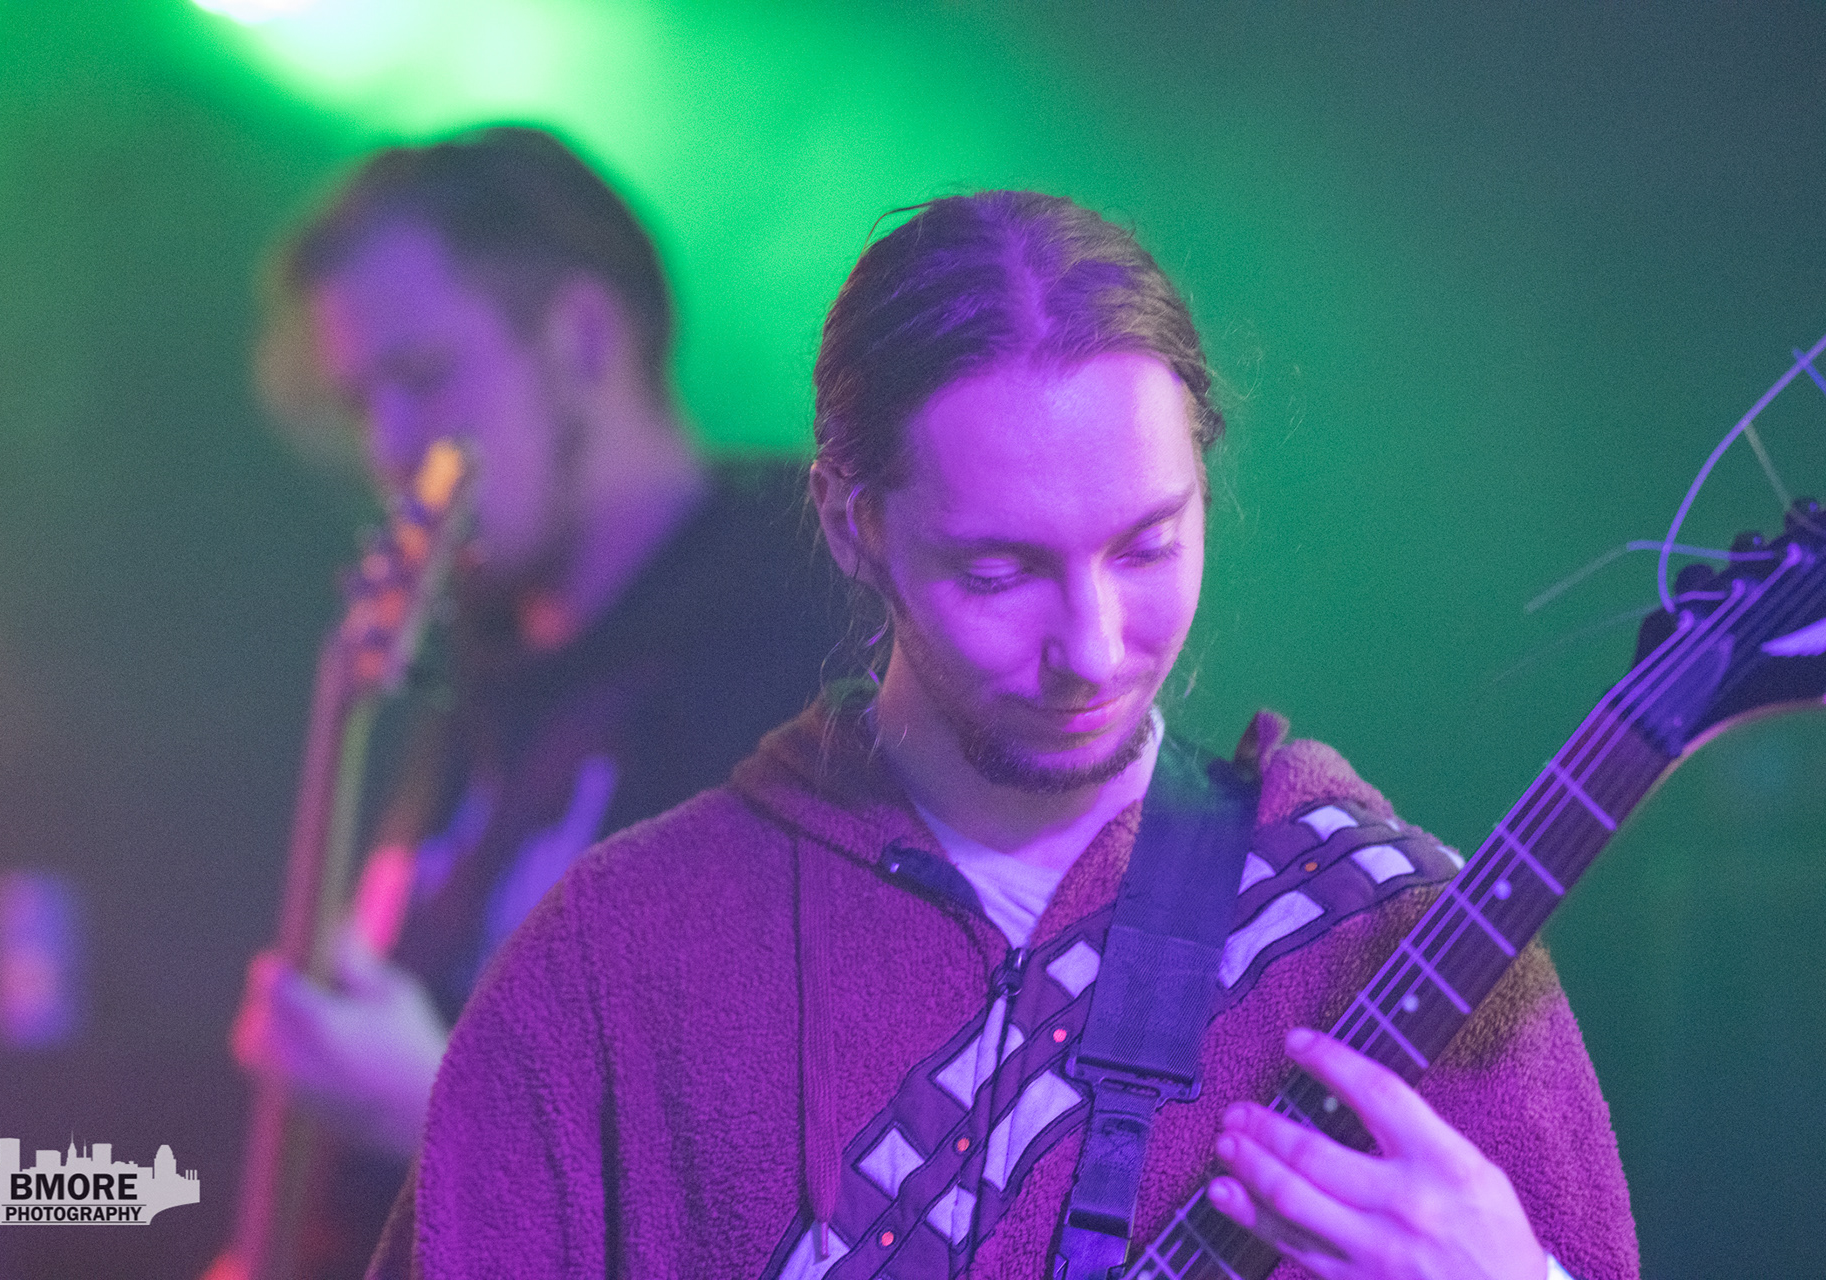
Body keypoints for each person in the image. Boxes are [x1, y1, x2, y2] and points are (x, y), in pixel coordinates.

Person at [369, 192, 1638, 1280]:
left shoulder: (1391, 935)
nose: (1092, 645)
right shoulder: (616, 958)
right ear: (853, 521)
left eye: (1147, 546)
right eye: (1000, 570)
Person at [225, 126, 840, 1278]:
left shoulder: (812, 638)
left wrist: (441, 1109)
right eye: (362, 404)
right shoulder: (475, 679)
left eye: (423, 378)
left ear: (583, 339)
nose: (390, 447)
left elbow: (799, 1172)